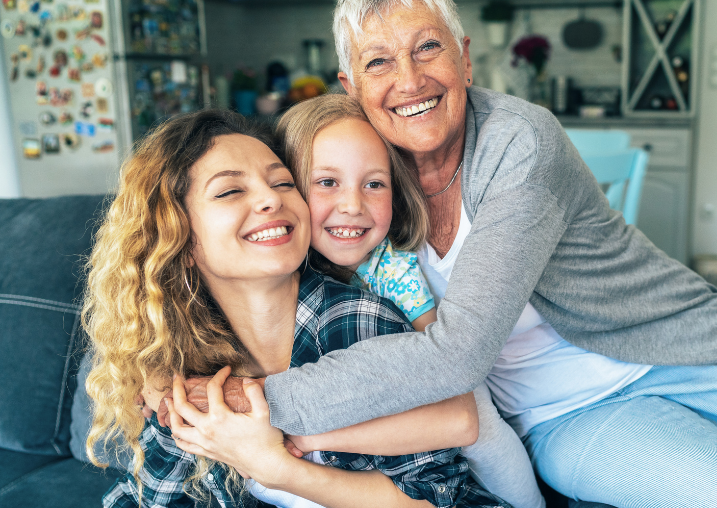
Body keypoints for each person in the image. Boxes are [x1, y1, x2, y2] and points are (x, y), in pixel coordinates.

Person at [167, 1, 717, 506]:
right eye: (380, 62)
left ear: (463, 56)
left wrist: (245, 405)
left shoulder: (520, 141)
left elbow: (453, 358)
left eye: (428, 48)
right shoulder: (355, 193)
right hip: (571, 416)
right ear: (352, 85)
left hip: (689, 349)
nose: (411, 79)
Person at [81, 109, 511, 508]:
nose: (270, 199)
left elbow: (440, 494)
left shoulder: (360, 321)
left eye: (283, 183)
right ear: (178, 239)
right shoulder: (177, 359)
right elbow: (160, 494)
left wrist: (279, 467)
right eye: (231, 190)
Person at [275, 93, 545, 507]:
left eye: (374, 184)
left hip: (435, 393)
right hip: (343, 413)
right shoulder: (276, 266)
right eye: (327, 182)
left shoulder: (392, 268)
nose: (352, 205)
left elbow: (445, 365)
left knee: (487, 434)